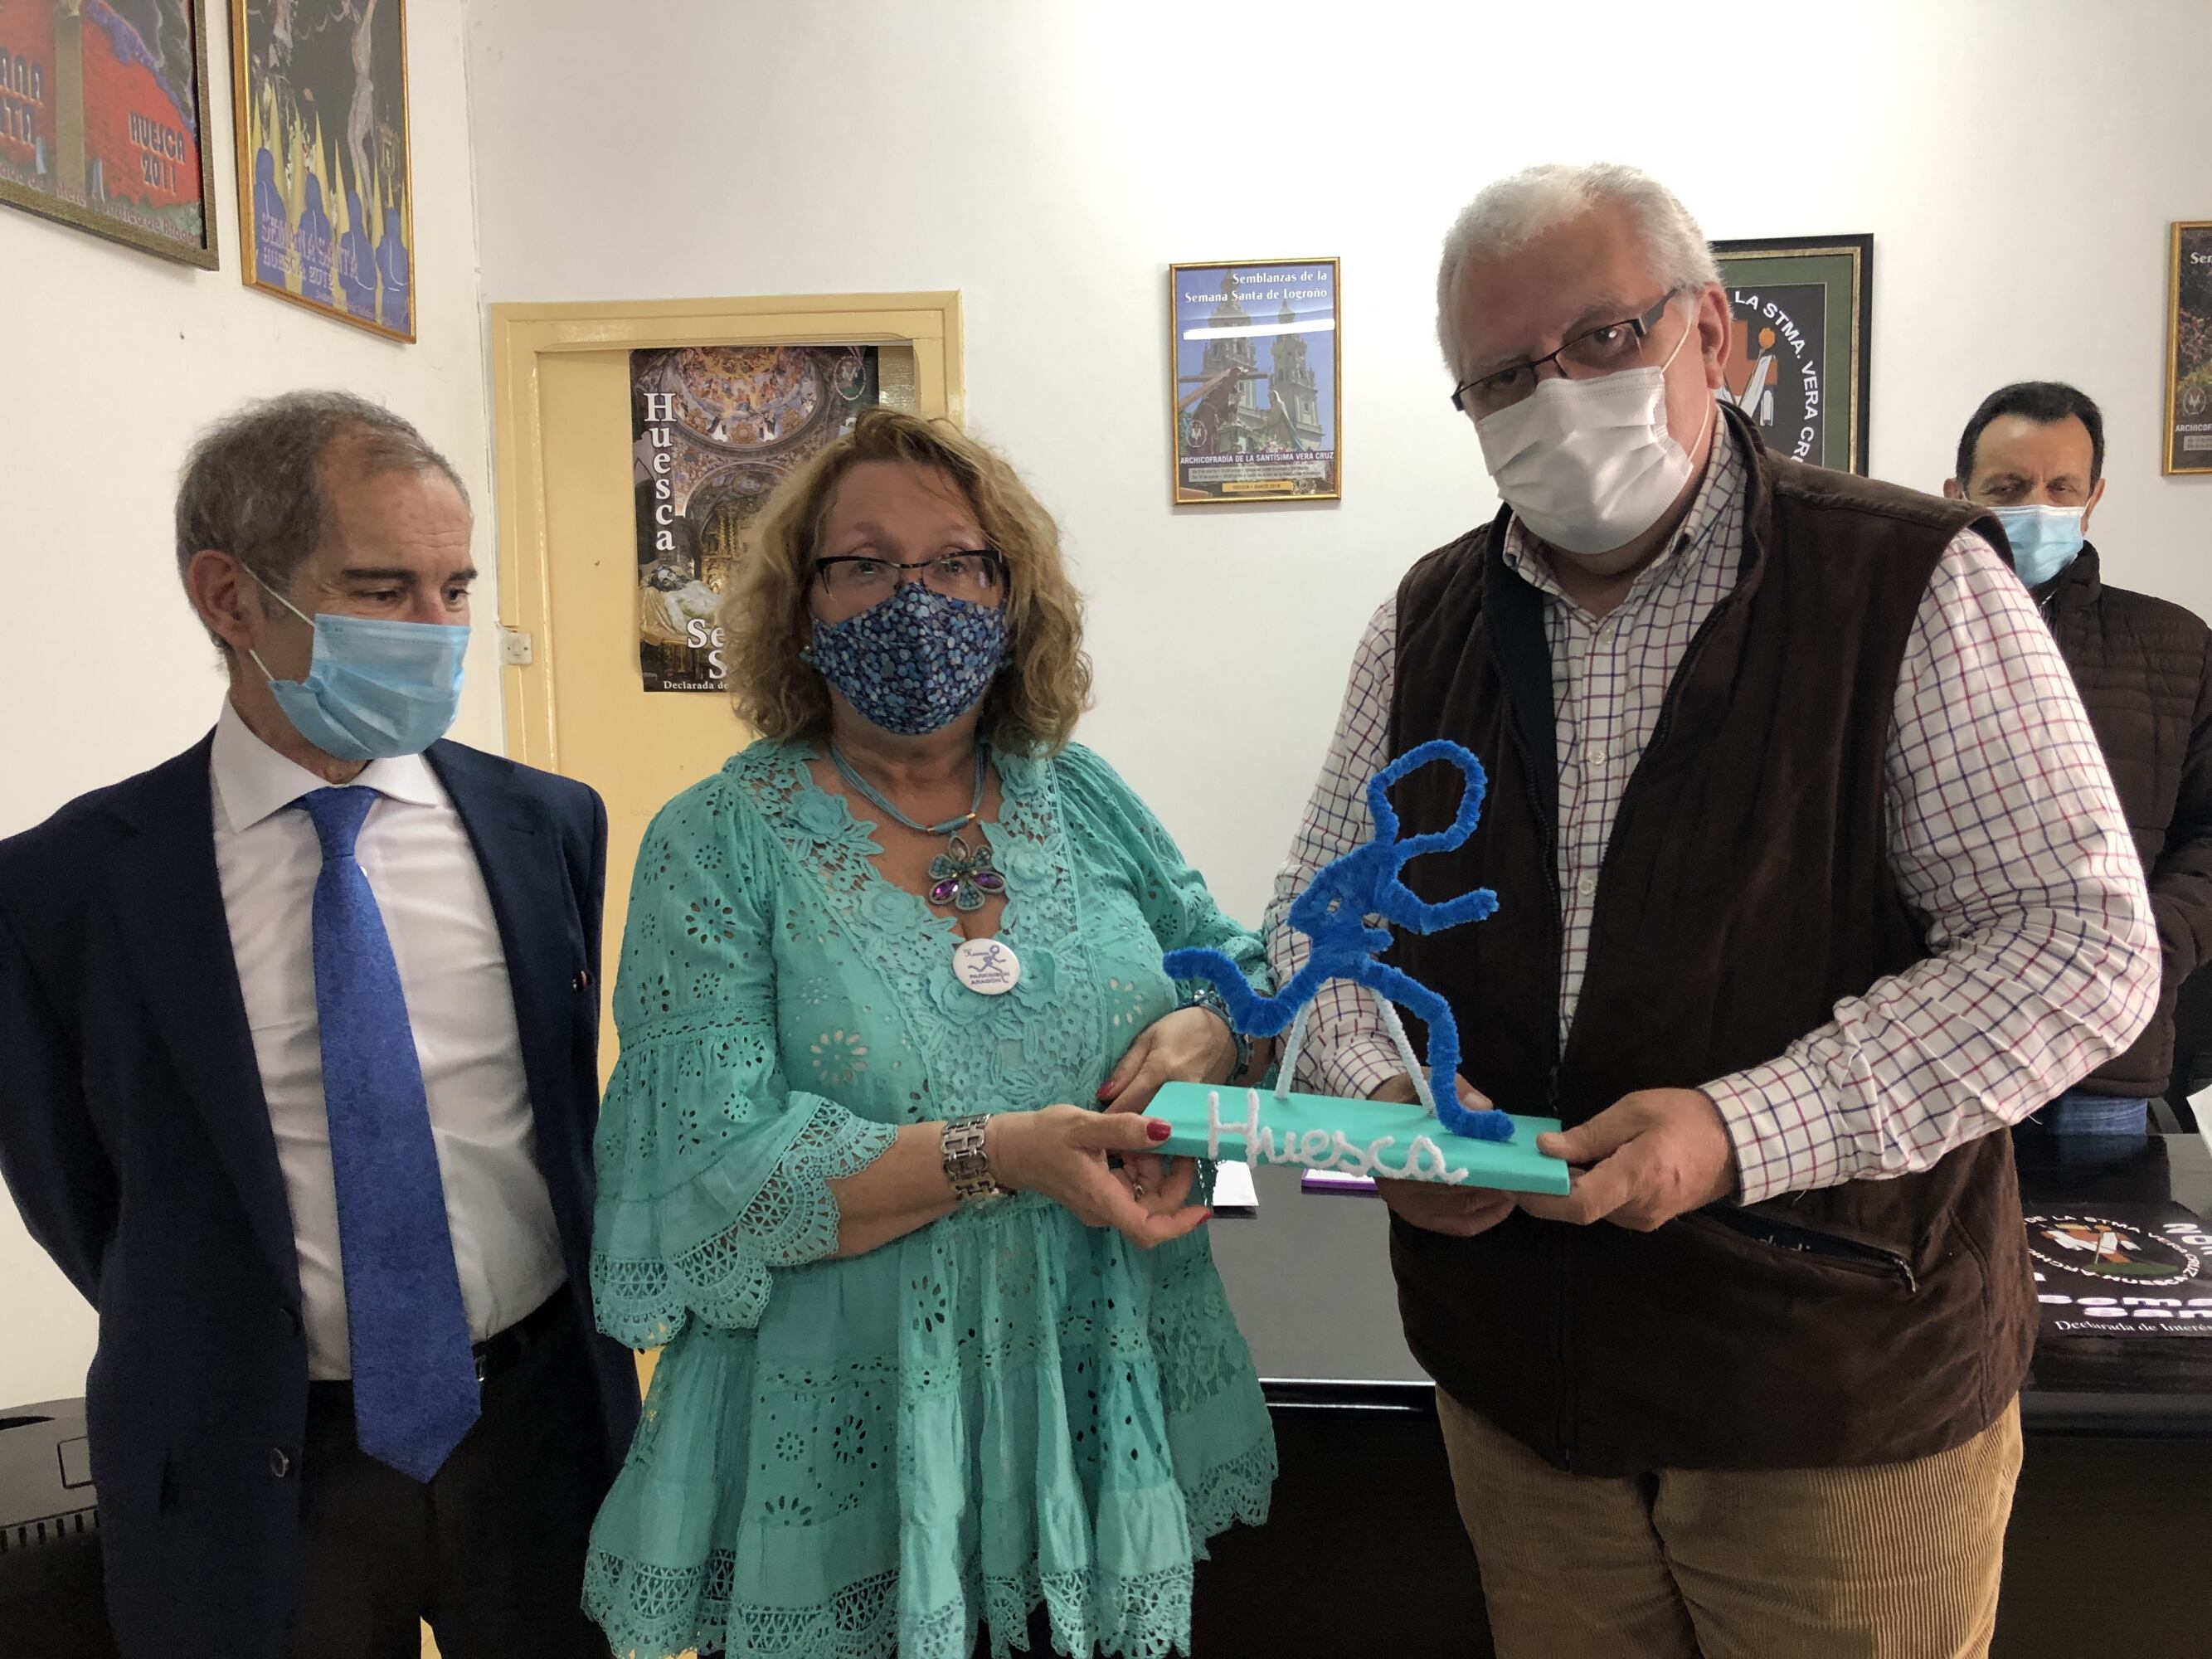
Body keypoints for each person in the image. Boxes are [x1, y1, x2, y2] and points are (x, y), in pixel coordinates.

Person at [1268, 163, 2156, 1659]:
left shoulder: (1909, 583)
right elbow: (1314, 929)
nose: (1555, 397)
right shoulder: (1425, 620)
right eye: (1501, 376)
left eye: (1602, 338)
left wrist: (1742, 1127)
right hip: (1526, 1397)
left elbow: (2074, 945)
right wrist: (1382, 1109)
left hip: (1832, 1397)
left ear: (1712, 333)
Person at [581, 407, 1276, 1659]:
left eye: (957, 562)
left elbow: (1236, 959)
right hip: (846, 1430)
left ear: (1011, 594)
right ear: (802, 605)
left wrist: (1213, 1025)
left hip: (1091, 1387)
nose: (917, 600)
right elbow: (718, 1172)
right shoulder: (716, 842)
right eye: (865, 564)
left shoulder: (1081, 793)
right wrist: (1001, 1153)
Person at [0, 392, 639, 1659]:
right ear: (229, 598)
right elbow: (82, 1197)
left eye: (455, 588)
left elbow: (562, 1121)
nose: (437, 630)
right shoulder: (66, 888)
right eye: (382, 590)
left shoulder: (546, 826)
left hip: (539, 1434)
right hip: (248, 1466)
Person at [1945, 380, 2212, 1136]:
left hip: (2101, 1060)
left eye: (2060, 487)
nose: (2036, 506)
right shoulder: (1890, 632)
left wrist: (2145, 950)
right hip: (1930, 1049)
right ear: (1956, 496)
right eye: (2007, 488)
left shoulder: (2176, 644)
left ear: (2091, 499)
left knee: (2099, 1216)